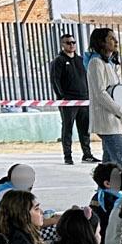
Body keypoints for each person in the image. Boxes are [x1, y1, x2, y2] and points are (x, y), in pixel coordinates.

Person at [85, 27, 122, 169]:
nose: (116, 41)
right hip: (106, 121)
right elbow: (101, 94)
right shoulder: (96, 63)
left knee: (109, 166)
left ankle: (104, 190)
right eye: (111, 38)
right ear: (102, 42)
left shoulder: (108, 64)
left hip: (113, 120)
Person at [48, 30, 94, 165]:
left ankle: (87, 154)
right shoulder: (59, 61)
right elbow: (55, 79)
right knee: (67, 128)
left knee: (84, 128)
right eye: (68, 43)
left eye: (73, 42)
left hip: (84, 99)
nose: (72, 45)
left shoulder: (81, 60)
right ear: (63, 45)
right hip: (68, 100)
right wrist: (62, 96)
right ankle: (67, 156)